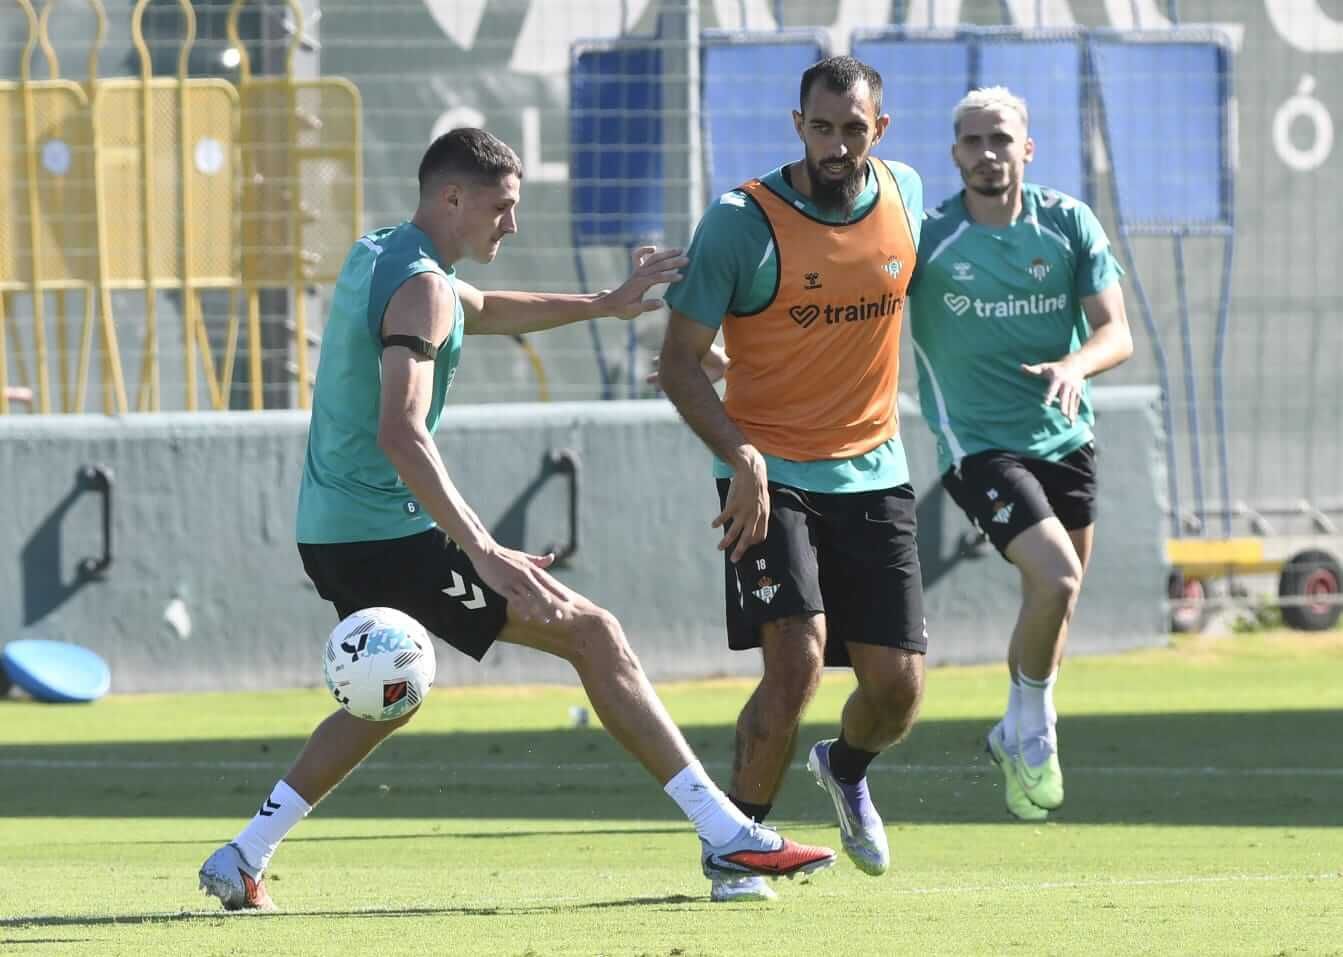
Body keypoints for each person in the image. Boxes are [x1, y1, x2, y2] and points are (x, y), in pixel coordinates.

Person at [197, 128, 835, 912]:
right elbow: (402, 431)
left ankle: (243, 854)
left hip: (338, 527)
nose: (512, 224)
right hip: (380, 533)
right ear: (453, 198)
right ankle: (724, 829)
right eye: (503, 206)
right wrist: (485, 548)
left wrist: (604, 306)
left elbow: (487, 308)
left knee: (389, 690)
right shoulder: (422, 286)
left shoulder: (387, 253)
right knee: (591, 632)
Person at [657, 57, 927, 902]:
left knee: (896, 689)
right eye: (822, 126)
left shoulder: (906, 195)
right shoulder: (741, 221)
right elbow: (677, 363)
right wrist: (740, 458)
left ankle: (844, 770)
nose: (837, 144)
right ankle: (738, 841)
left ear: (878, 130)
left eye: (854, 128)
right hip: (769, 475)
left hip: (875, 471)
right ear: (796, 123)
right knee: (797, 661)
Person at [908, 87, 1133, 821]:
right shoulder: (928, 238)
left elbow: (1115, 332)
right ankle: (1034, 732)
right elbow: (850, 312)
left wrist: (1075, 366)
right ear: (955, 155)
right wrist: (732, 359)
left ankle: (1014, 730)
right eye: (972, 143)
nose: (986, 155)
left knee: (1055, 601)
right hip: (978, 447)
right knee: (1057, 578)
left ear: (1025, 149)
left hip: (1065, 436)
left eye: (1000, 140)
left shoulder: (1066, 222)